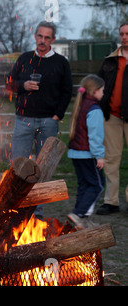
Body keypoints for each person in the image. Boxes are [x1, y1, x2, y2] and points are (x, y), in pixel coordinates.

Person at [6, 21, 73, 218]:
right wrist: (23, 84)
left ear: (53, 39)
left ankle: (36, 212)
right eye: (40, 36)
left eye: (47, 38)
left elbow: (67, 91)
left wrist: (57, 116)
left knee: (42, 168)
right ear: (35, 36)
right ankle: (12, 208)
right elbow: (10, 84)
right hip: (23, 120)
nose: (42, 41)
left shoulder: (61, 63)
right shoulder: (25, 59)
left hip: (48, 122)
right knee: (17, 165)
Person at [96, 22, 128, 215]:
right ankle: (112, 201)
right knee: (111, 160)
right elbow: (98, 86)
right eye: (122, 34)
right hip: (112, 117)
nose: (124, 37)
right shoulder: (110, 61)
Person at [67, 75, 106, 230]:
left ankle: (81, 219)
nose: (104, 93)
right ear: (95, 91)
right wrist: (99, 156)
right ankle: (78, 213)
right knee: (97, 185)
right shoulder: (94, 109)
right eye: (103, 90)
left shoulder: (81, 104)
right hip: (87, 154)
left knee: (84, 185)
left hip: (76, 153)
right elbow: (95, 136)